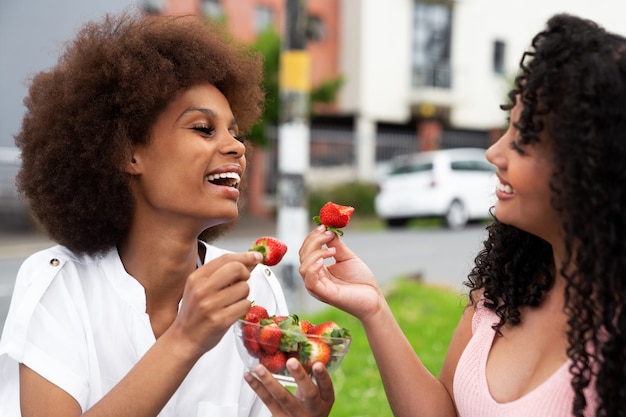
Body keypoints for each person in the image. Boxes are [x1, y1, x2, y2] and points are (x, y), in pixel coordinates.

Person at [250, 13, 626, 417]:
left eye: (523, 139)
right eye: (507, 128)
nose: (494, 153)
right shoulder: (504, 290)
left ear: (593, 166)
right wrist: (373, 306)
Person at [0, 10, 334, 417]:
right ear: (128, 152)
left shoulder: (255, 288)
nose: (236, 147)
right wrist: (186, 336)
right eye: (203, 129)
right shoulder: (60, 283)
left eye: (235, 132)